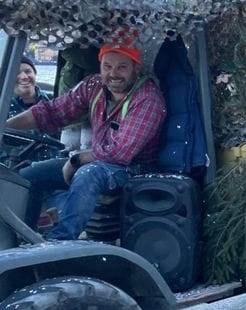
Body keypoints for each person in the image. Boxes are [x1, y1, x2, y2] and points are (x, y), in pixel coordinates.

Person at [5, 43, 166, 239]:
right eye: (107, 66)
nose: (113, 74)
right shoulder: (94, 86)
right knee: (27, 175)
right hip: (99, 160)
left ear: (136, 68)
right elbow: (52, 112)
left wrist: (77, 160)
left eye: (122, 67)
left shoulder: (148, 99)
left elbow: (120, 152)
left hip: (134, 168)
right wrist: (5, 126)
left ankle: (60, 243)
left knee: (88, 174)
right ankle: (21, 239)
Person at [3, 56, 57, 165]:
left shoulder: (55, 101)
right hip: (15, 170)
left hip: (55, 163)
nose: (24, 77)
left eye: (28, 71)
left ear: (35, 74)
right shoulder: (2, 107)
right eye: (17, 72)